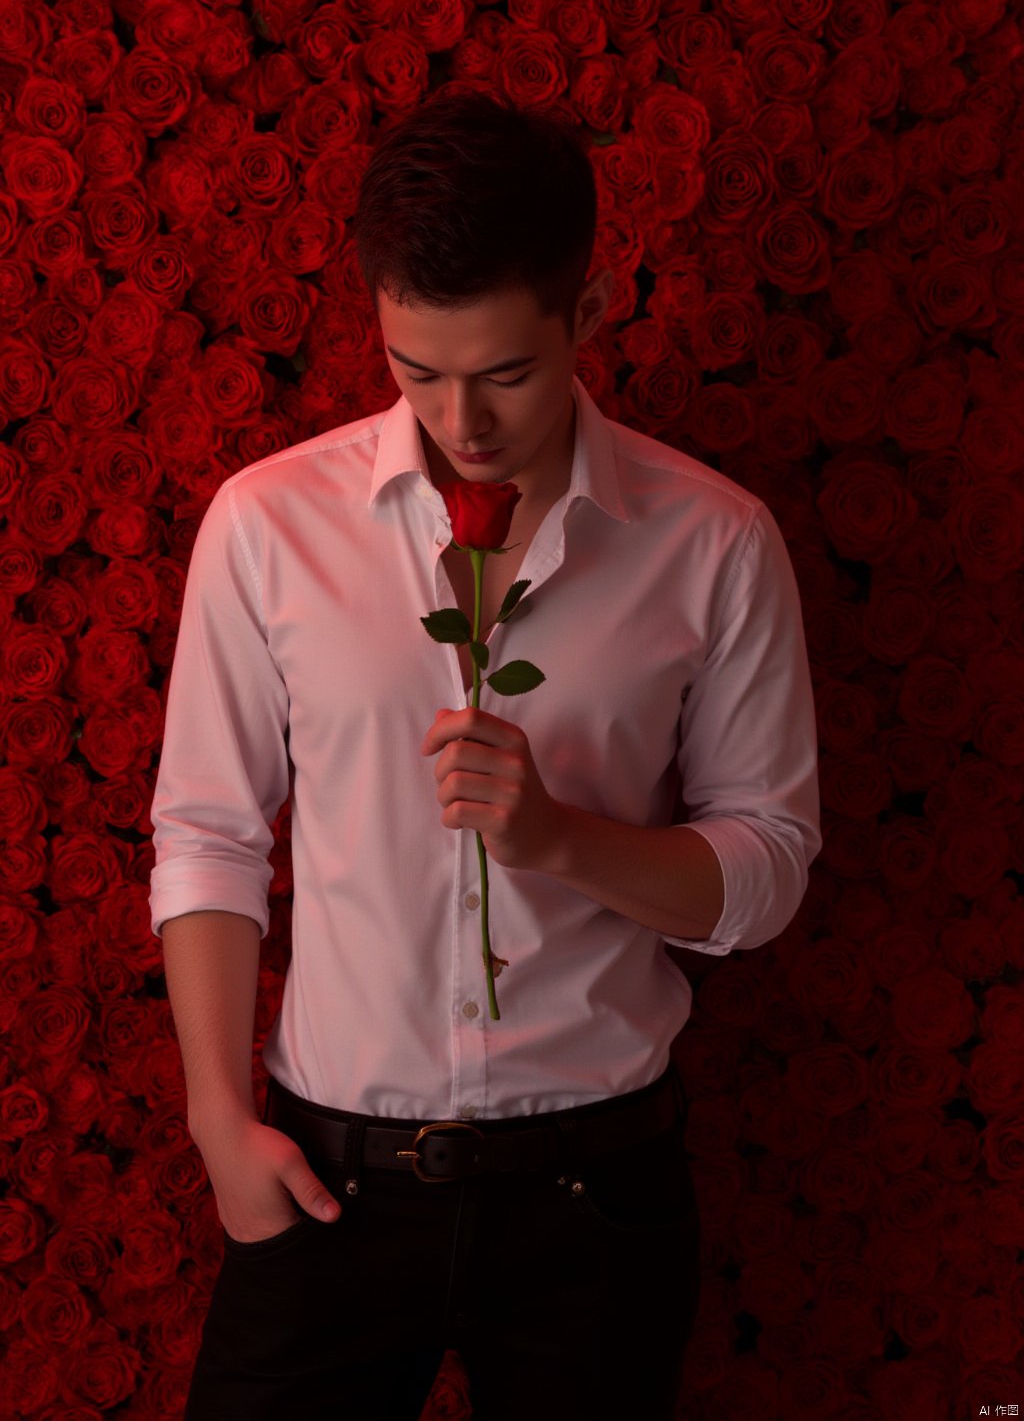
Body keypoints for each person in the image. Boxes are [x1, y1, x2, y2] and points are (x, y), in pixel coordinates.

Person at [150, 89, 822, 1421]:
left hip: (597, 1198)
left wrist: (560, 838)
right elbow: (210, 834)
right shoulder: (268, 526)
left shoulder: (715, 542)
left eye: (506, 373)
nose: (461, 420)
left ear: (588, 314)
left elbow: (770, 871)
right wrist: (219, 1128)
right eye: (416, 369)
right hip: (326, 1184)